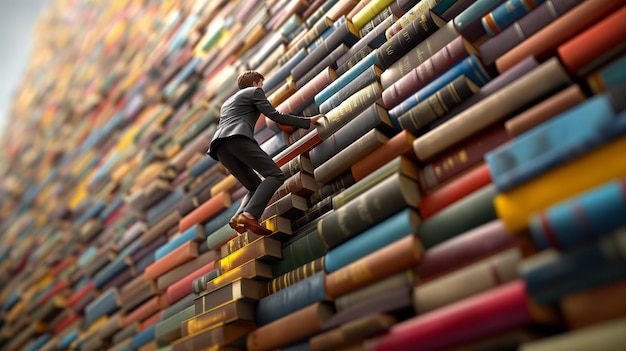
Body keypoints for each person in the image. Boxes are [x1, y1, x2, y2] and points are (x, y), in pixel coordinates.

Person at [207, 70, 324, 235]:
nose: (262, 87)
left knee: (254, 186)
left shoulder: (227, 102)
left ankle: (238, 217)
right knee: (275, 175)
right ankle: (249, 215)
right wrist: (307, 121)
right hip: (237, 139)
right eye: (261, 83)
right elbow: (275, 116)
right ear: (255, 83)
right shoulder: (255, 92)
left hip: (219, 147)